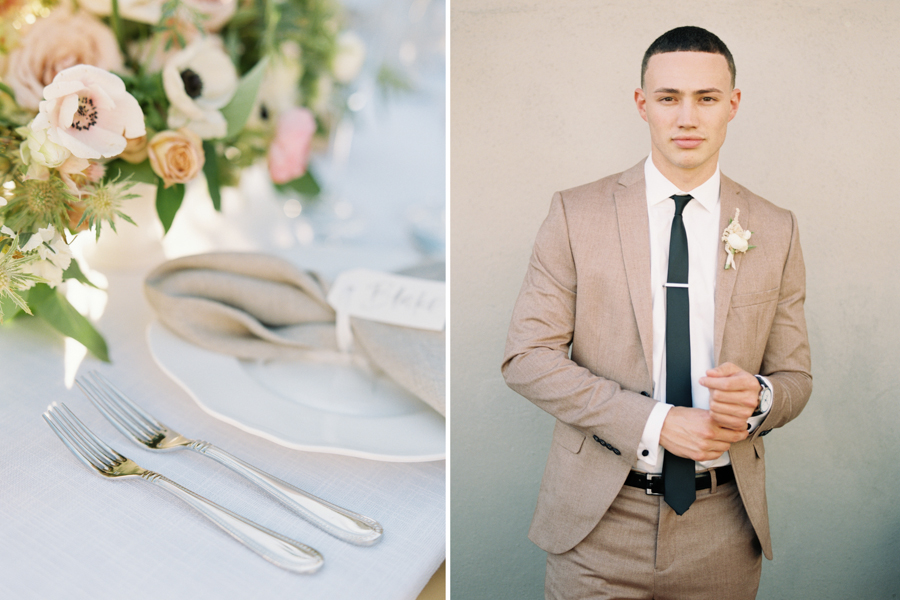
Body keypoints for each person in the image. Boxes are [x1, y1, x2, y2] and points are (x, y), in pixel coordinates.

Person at [501, 26, 812, 600]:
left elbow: (796, 378)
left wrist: (761, 399)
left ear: (733, 106)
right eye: (669, 98)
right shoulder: (575, 213)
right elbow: (527, 358)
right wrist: (656, 423)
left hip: (724, 528)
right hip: (598, 521)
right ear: (642, 104)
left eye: (707, 98)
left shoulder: (776, 227)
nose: (687, 117)